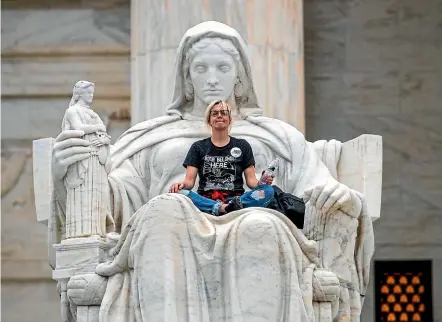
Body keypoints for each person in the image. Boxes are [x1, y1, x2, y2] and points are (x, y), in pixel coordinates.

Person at [51, 21, 373, 321]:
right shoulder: (148, 139)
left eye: (223, 67)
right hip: (167, 223)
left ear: (239, 77)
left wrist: (340, 195)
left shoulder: (278, 137)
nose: (212, 78)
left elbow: (315, 189)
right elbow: (117, 199)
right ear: (187, 79)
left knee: (259, 223)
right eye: (200, 68)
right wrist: (70, 174)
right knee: (167, 210)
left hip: (252, 217)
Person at [169, 100, 274, 216]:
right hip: (206, 200)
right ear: (209, 120)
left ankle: (230, 206)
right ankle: (222, 208)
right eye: (215, 113)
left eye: (223, 113)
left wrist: (262, 183)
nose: (219, 116)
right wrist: (181, 185)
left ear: (229, 119)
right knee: (178, 192)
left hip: (236, 199)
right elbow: (189, 182)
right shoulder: (198, 147)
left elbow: (251, 181)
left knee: (268, 191)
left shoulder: (242, 145)